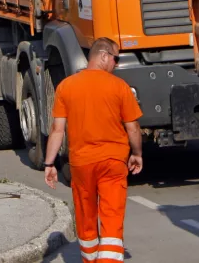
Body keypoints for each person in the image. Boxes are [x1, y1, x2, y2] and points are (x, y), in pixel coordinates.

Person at [44, 38, 143, 263]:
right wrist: (136, 154)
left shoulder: (66, 87)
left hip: (81, 164)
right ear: (104, 56)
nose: (116, 65)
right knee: (111, 219)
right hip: (113, 162)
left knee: (86, 218)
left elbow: (57, 130)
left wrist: (49, 164)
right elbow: (133, 127)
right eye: (116, 59)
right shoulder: (119, 87)